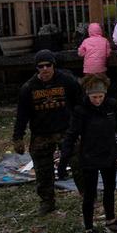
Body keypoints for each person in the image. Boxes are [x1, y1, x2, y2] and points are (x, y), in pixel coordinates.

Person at [59, 74, 117, 233]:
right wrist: (64, 160)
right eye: (94, 97)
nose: (97, 100)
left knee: (110, 188)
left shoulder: (112, 106)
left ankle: (111, 220)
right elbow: (71, 135)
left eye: (100, 96)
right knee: (90, 194)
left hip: (109, 155)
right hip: (89, 158)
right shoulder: (81, 110)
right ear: (87, 95)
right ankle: (89, 228)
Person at [13, 50, 83, 214]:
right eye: (41, 66)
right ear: (36, 68)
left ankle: (87, 196)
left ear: (53, 65)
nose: (45, 69)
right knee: (43, 169)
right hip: (41, 133)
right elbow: (22, 115)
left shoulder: (67, 81)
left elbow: (80, 103)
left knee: (79, 163)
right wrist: (18, 137)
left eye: (48, 65)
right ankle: (47, 201)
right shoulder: (28, 88)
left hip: (66, 130)